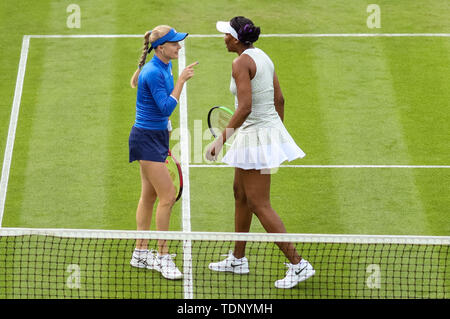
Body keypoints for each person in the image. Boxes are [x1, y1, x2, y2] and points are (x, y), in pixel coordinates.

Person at [206, 16, 315, 289]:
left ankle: (298, 264)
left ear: (235, 39)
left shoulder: (240, 62)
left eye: (226, 35)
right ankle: (238, 259)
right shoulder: (263, 56)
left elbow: (244, 108)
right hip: (262, 135)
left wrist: (220, 141)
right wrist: (275, 136)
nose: (223, 39)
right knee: (240, 194)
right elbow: (280, 99)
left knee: (258, 203)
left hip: (255, 137)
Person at [128, 25, 197, 280]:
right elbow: (167, 106)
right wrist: (181, 81)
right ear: (161, 48)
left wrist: (166, 140)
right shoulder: (154, 73)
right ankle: (163, 257)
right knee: (167, 196)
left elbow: (162, 116)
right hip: (145, 140)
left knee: (148, 196)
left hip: (155, 138)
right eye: (175, 43)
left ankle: (140, 252)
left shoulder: (165, 64)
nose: (179, 46)